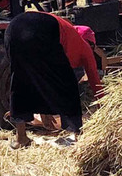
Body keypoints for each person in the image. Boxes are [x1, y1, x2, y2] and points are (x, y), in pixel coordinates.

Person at [6, 11, 104, 148]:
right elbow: (95, 81)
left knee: (21, 81)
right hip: (43, 27)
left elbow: (39, 77)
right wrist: (105, 110)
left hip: (13, 28)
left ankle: (20, 138)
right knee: (68, 86)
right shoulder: (84, 46)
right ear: (90, 42)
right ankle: (78, 137)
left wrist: (44, 111)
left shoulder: (67, 32)